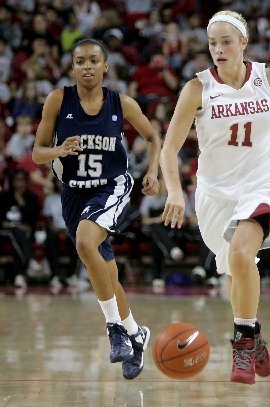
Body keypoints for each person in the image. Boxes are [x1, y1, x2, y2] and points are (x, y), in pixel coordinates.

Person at [160, 10, 270, 385]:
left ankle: (243, 344)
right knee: (236, 268)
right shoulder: (197, 89)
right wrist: (174, 192)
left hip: (262, 184)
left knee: (241, 253)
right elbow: (169, 149)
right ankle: (254, 330)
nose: (218, 49)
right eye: (212, 43)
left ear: (244, 43)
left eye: (226, 42)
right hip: (214, 195)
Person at [32, 38, 161, 380]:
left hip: (111, 187)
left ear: (105, 66)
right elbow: (37, 153)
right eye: (80, 61)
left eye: (93, 60)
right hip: (73, 194)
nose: (86, 66)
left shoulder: (122, 103)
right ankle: (136, 333)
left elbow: (153, 136)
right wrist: (59, 150)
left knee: (86, 244)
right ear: (72, 67)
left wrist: (152, 171)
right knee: (107, 274)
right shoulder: (58, 100)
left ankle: (115, 330)